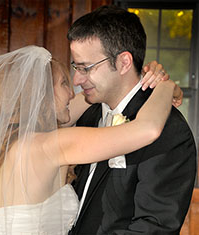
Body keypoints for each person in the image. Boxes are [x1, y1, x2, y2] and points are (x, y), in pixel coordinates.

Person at [0, 45, 181, 235]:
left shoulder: (19, 141)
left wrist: (138, 77)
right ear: (41, 94)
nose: (71, 93)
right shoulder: (50, 145)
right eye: (64, 84)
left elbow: (91, 96)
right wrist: (166, 85)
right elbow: (147, 129)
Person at [67, 5, 196, 235]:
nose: (77, 79)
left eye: (86, 68)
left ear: (124, 62)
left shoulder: (170, 130)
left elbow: (153, 227)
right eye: (76, 67)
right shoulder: (87, 114)